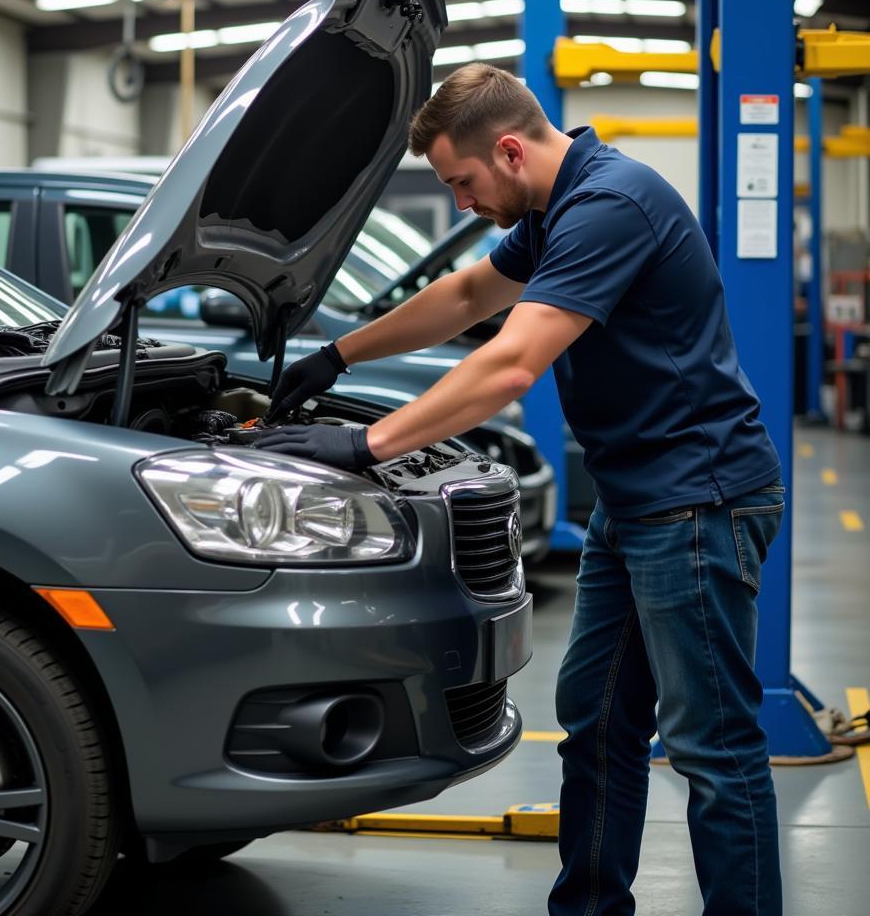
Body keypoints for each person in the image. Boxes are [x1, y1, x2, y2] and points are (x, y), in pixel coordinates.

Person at [256, 62, 784, 916]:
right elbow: (469, 294)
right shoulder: (555, 207)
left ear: (507, 150)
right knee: (598, 722)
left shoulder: (611, 206)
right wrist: (338, 355)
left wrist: (367, 442)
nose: (462, 202)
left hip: (699, 503)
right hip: (638, 501)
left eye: (461, 183)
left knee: (713, 746)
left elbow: (510, 363)